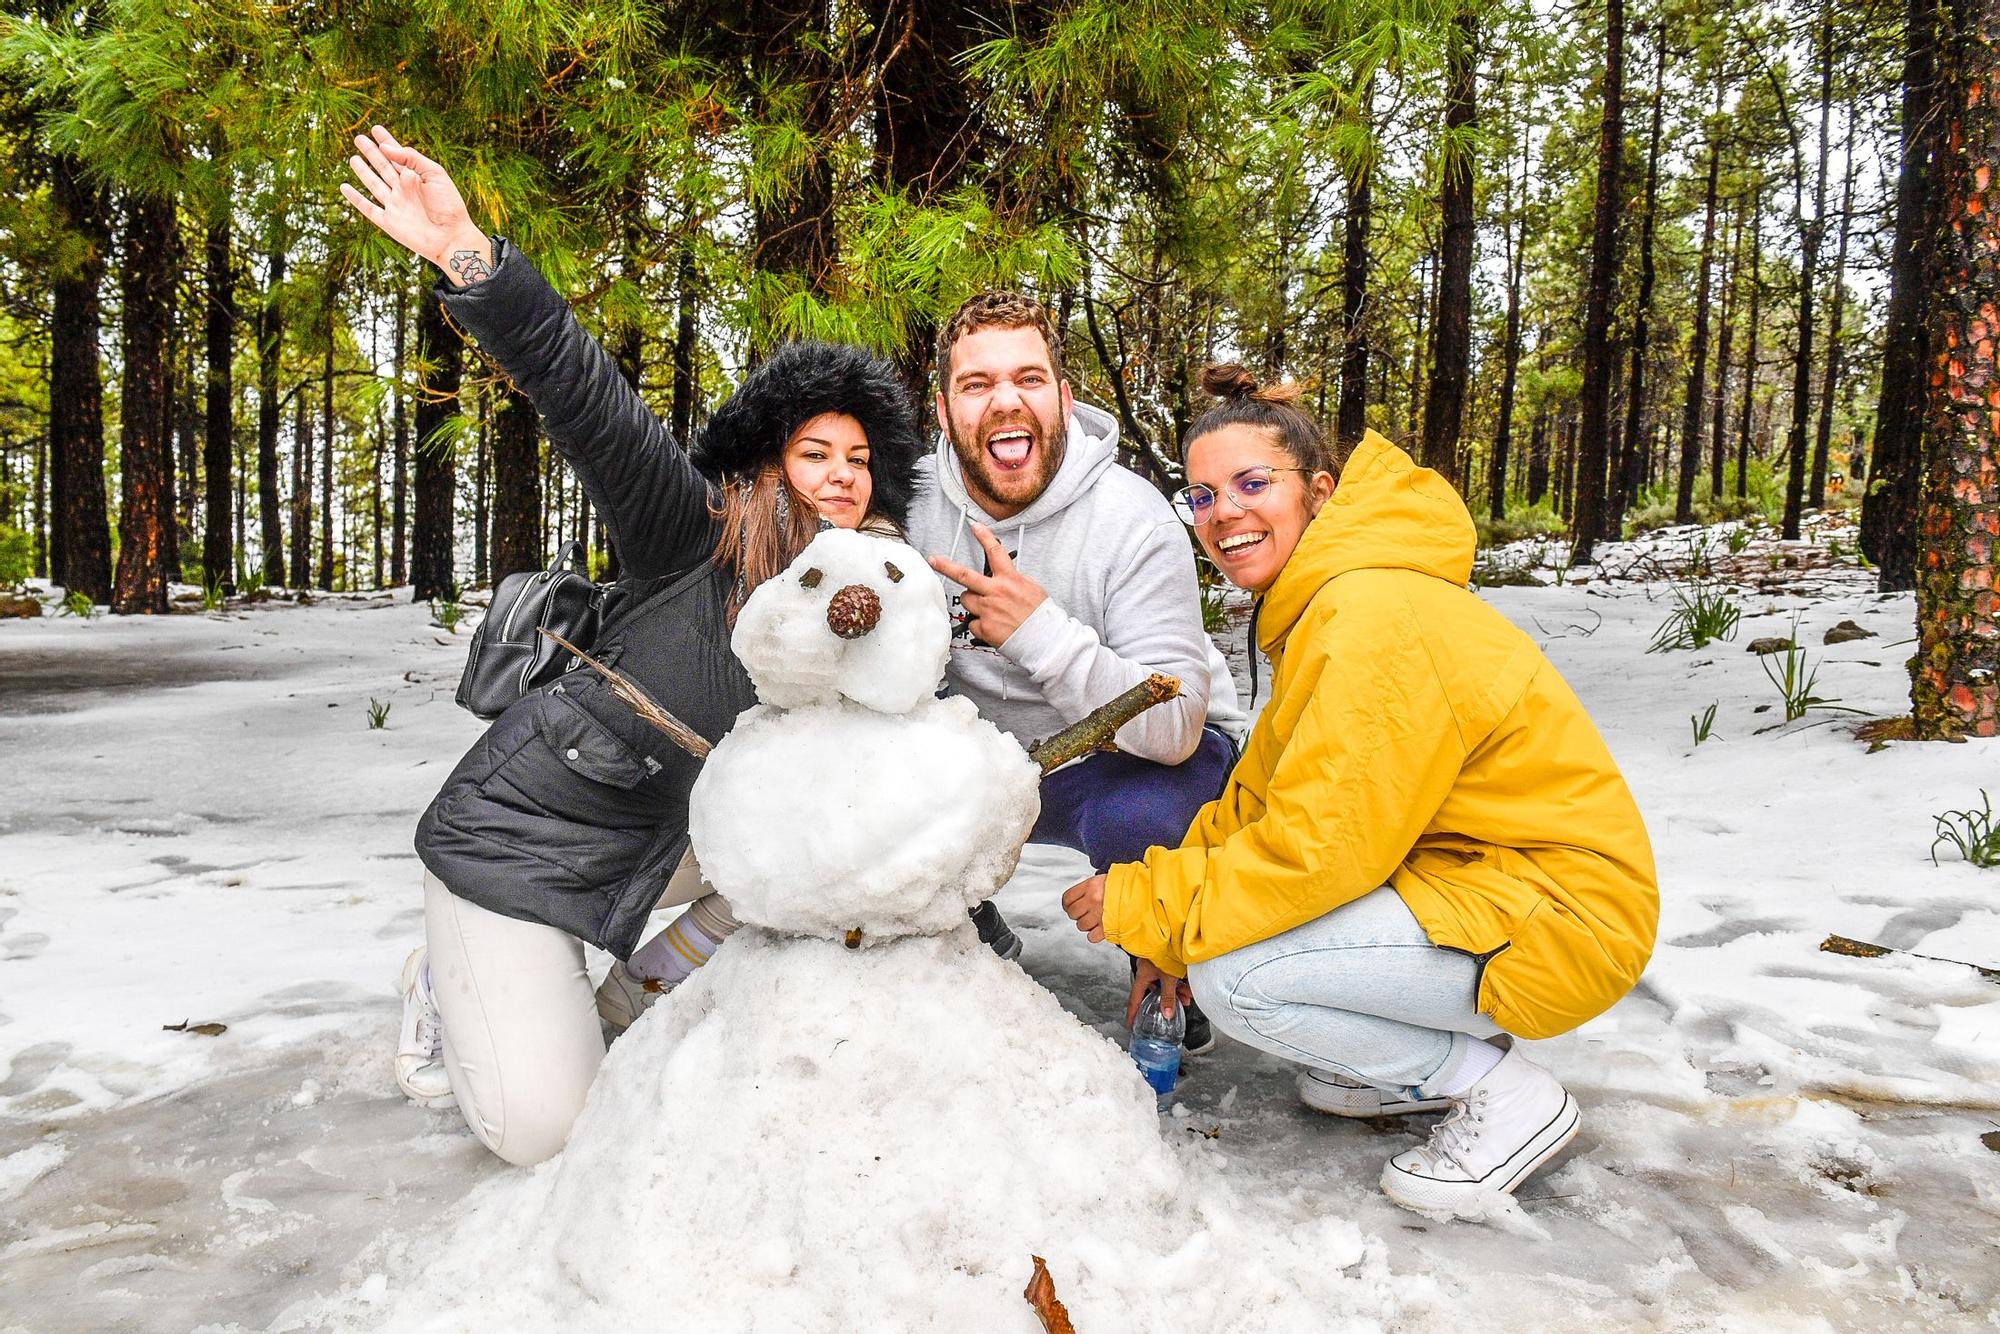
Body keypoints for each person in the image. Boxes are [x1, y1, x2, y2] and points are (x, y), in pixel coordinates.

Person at [340, 126, 925, 1166]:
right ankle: (446, 976)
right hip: (518, 852)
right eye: (814, 452)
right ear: (763, 461)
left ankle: (609, 991)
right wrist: (469, 256)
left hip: (659, 848)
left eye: (860, 459)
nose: (842, 473)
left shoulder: (862, 618)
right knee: (545, 1131)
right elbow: (585, 396)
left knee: (825, 845)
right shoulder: (687, 532)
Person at [1062, 366, 1658, 1217]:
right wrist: (1166, 914)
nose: (1223, 512)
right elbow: (1257, 806)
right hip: (1478, 883)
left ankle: (1504, 1094)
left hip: (1557, 916)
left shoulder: (1372, 616)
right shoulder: (1327, 608)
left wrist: (1151, 907)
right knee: (1225, 936)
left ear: (1320, 490)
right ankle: (1401, 1074)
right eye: (1201, 495)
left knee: (1241, 977)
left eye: (1252, 483)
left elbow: (1318, 852)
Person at [915, 292, 1245, 1051]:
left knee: (1143, 817)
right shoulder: (908, 505)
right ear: (944, 410)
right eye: (977, 384)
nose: (1006, 401)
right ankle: (956, 928)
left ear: (1063, 399)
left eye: (1029, 379)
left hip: (1128, 762)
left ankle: (1165, 952)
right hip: (985, 760)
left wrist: (1037, 632)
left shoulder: (1132, 518)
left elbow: (1174, 729)